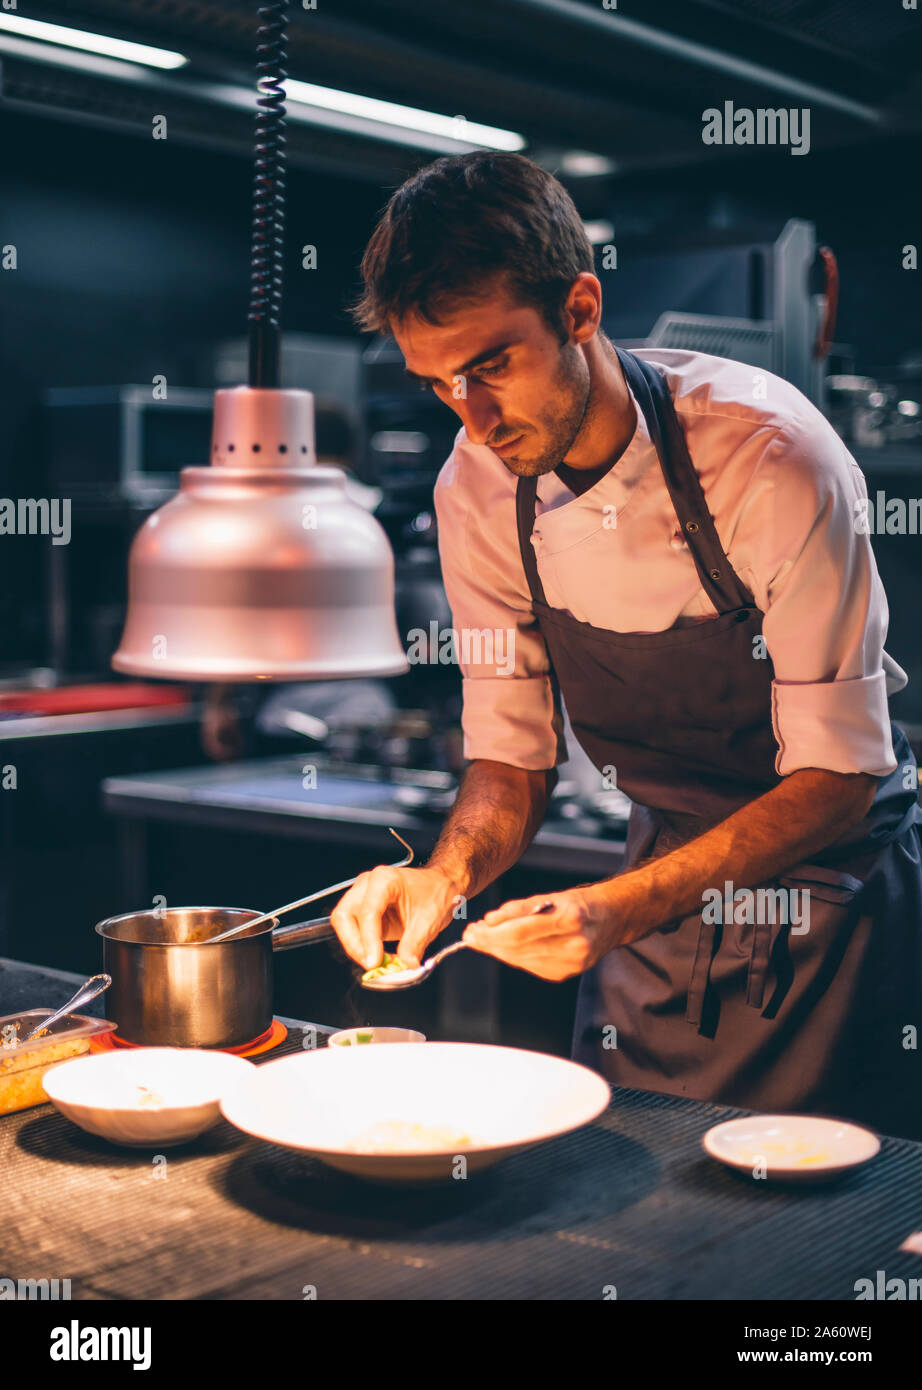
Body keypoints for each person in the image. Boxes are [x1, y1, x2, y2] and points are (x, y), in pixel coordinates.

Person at [330, 151, 922, 1140]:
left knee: (802, 1233)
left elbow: (842, 773)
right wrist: (447, 874)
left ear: (580, 308)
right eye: (438, 385)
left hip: (830, 909)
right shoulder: (475, 487)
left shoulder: (767, 456)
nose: (473, 420)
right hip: (654, 895)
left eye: (492, 367)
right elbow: (509, 760)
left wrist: (620, 907)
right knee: (629, 1190)